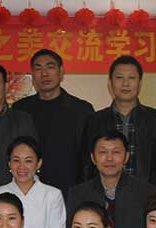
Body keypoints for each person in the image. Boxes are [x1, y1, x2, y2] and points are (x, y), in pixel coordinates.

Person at [62, 130, 153, 228]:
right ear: (93, 158)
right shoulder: (78, 194)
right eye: (103, 152)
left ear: (126, 157)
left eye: (116, 152)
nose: (109, 158)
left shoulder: (145, 193)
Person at [82, 55, 156, 186]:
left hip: (145, 194)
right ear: (110, 83)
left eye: (131, 78)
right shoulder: (95, 121)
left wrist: (154, 194)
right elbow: (86, 165)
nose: (125, 83)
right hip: (103, 193)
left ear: (140, 83)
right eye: (119, 78)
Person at [13, 49, 95, 192]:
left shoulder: (82, 110)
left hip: (71, 190)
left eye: (50, 67)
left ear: (61, 72)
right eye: (38, 68)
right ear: (32, 75)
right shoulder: (20, 110)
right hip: (29, 189)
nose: (44, 74)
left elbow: (89, 158)